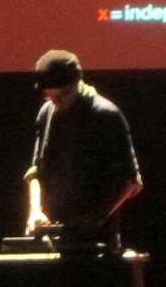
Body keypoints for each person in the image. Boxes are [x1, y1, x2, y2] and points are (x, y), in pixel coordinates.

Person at [23, 49, 143, 246]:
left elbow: (130, 181)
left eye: (62, 95)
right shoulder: (46, 113)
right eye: (50, 96)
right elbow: (36, 172)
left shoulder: (105, 115)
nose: (55, 102)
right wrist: (35, 210)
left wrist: (96, 218)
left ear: (76, 85)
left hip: (97, 239)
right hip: (54, 233)